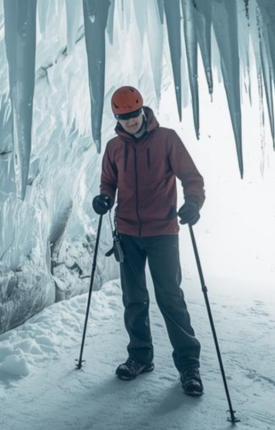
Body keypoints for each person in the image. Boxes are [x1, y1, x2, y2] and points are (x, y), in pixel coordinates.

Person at [91, 85, 206, 397]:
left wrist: (193, 203)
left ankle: (188, 366)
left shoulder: (167, 139)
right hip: (127, 232)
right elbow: (108, 182)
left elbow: (192, 178)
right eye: (123, 117)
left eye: (133, 115)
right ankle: (140, 357)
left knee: (170, 298)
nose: (130, 121)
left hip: (163, 233)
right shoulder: (114, 147)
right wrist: (103, 198)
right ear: (117, 117)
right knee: (134, 299)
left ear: (143, 110)